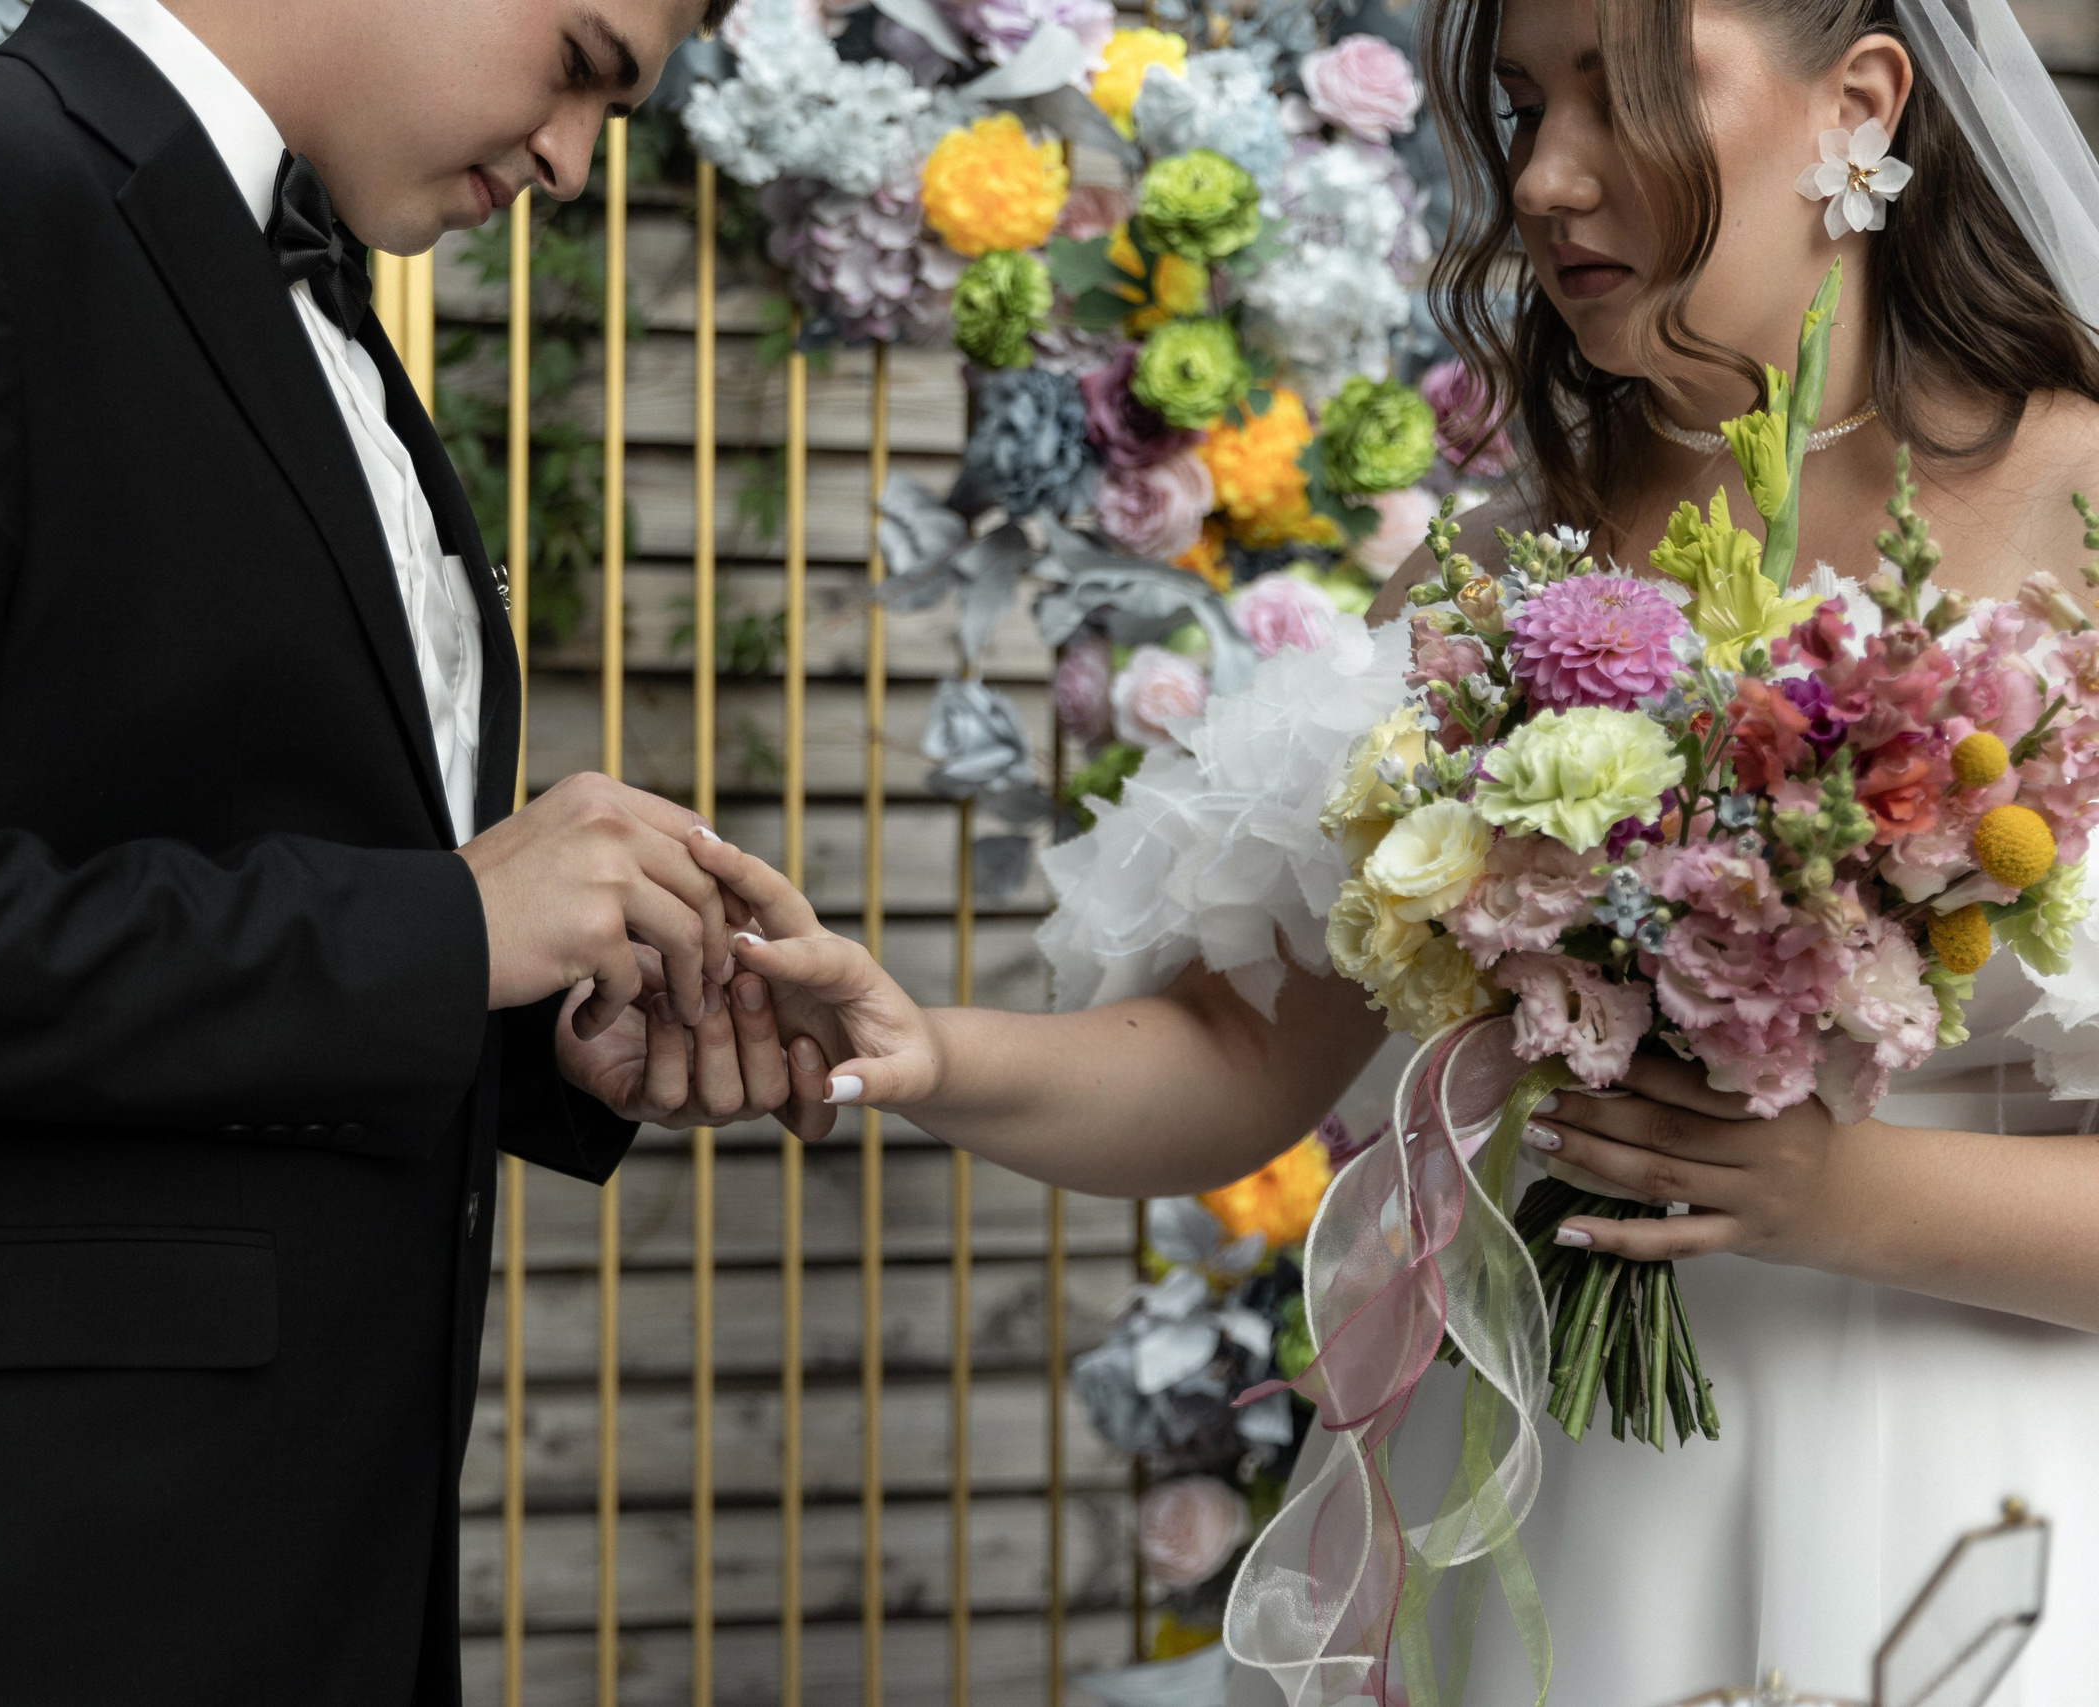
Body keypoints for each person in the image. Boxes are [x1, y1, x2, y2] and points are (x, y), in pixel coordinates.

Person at [694, 0, 2099, 1697]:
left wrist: (1842, 1195)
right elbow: (1237, 1054)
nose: (1548, 179)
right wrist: (922, 1050)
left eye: (1624, 94)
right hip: (1565, 1507)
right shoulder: (1507, 568)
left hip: (1974, 1506)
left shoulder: (2090, 509)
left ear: (1857, 104)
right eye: (1522, 106)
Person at [0, 0, 840, 1701]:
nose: (572, 163)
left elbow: (175, 831)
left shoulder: (297, 291)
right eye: (582, 66)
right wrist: (440, 936)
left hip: (268, 1582)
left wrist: (533, 1029)